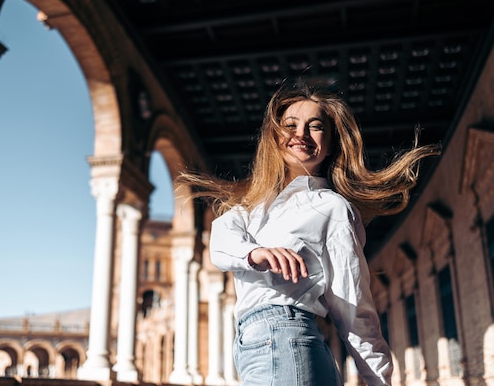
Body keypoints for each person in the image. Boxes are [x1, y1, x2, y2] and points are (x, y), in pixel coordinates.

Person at [176, 81, 440, 386]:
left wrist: (378, 379)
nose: (300, 134)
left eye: (315, 127)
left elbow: (352, 305)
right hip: (265, 345)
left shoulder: (332, 207)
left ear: (330, 144)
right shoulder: (253, 206)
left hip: (285, 339)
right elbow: (220, 240)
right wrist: (255, 253)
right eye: (290, 124)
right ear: (274, 136)